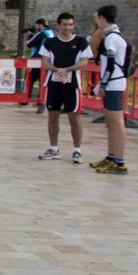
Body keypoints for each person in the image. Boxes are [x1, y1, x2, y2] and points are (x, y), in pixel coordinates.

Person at [35, 12, 92, 164]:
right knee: (53, 116)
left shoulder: (80, 42)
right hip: (53, 84)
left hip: (72, 85)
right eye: (65, 24)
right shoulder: (50, 43)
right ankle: (54, 148)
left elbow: (84, 61)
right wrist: (56, 70)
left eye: (70, 25)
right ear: (59, 25)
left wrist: (68, 69)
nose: (68, 28)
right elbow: (45, 62)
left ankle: (77, 150)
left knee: (74, 117)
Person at [92, 4, 131, 175]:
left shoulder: (110, 38)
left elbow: (110, 64)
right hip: (114, 82)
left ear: (102, 18)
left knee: (116, 123)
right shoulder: (114, 35)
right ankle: (111, 156)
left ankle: (119, 162)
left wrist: (103, 84)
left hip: (114, 84)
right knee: (111, 123)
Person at [23, 18, 53, 111]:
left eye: (36, 25)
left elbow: (29, 44)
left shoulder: (41, 33)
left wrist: (30, 35)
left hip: (36, 59)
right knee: (42, 80)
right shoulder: (51, 33)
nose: (35, 27)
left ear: (40, 25)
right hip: (47, 60)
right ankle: (41, 101)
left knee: (29, 79)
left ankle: (25, 99)